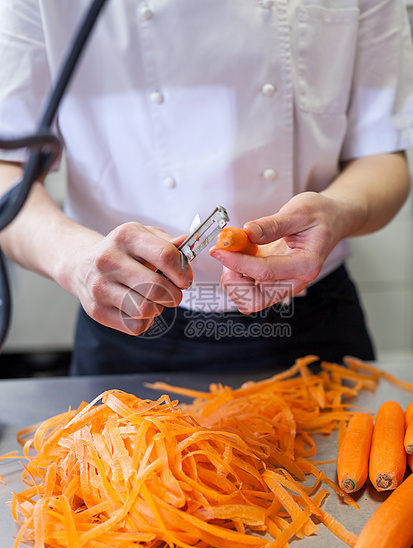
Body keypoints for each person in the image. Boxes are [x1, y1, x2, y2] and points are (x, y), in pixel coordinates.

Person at [0, 0, 412, 375]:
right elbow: (6, 168)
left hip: (310, 318)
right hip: (127, 320)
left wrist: (338, 211)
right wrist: (76, 259)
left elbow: (382, 155)